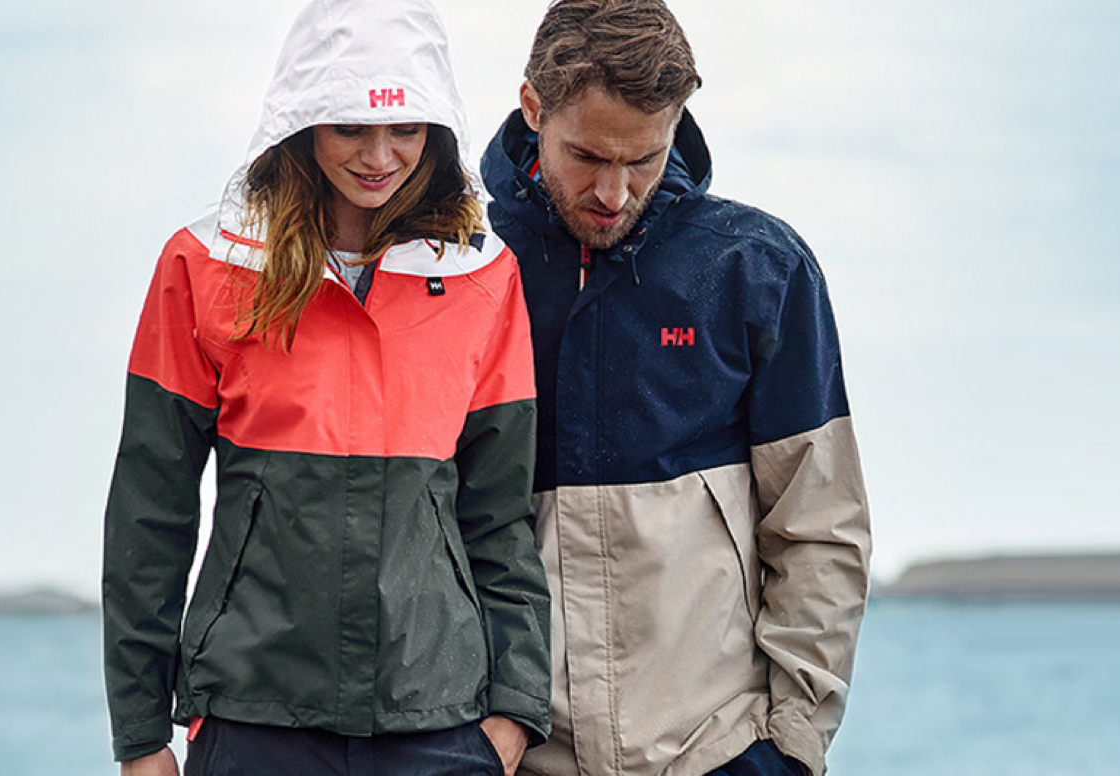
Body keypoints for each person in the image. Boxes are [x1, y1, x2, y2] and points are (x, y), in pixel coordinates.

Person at [102, 1, 551, 774]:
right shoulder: (203, 268)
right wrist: (141, 736)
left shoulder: (482, 276)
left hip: (439, 722)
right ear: (302, 120)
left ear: (436, 129)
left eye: (405, 128)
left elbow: (500, 515)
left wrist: (516, 705)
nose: (380, 155)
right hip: (255, 713)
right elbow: (151, 510)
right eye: (350, 126)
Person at [480, 1, 872, 775]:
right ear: (533, 108)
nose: (615, 193)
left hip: (721, 754)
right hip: (519, 759)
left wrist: (791, 748)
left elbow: (819, 527)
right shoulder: (466, 273)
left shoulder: (759, 269)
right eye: (589, 155)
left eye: (644, 159)